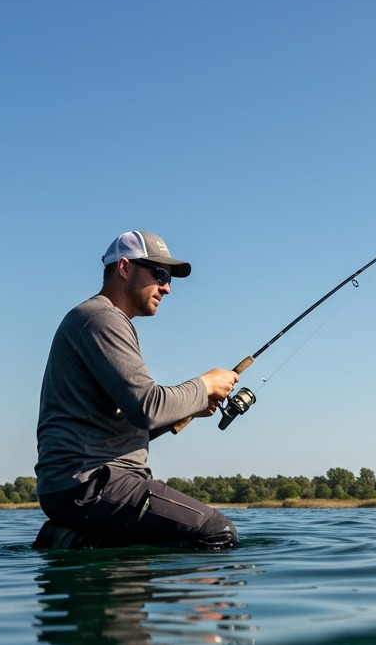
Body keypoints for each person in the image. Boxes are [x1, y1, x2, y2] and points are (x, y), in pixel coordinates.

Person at [33, 230, 240, 550]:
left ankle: (76, 540)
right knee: (217, 531)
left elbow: (127, 421)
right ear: (124, 268)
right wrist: (205, 385)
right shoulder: (103, 319)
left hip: (73, 487)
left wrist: (188, 410)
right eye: (159, 273)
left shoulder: (95, 319)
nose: (167, 287)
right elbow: (147, 406)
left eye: (169, 277)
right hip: (92, 484)